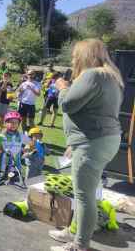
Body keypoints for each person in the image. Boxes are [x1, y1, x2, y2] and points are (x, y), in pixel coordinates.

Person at [49, 39, 124, 251]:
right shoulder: (111, 78)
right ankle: (74, 233)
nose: (73, 60)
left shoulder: (93, 75)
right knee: (84, 193)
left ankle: (80, 245)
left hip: (92, 142)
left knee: (84, 196)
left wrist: (63, 88)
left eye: (75, 56)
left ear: (85, 55)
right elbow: (97, 111)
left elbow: (68, 104)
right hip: (98, 141)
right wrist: (76, 142)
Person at [0, 112, 30, 177]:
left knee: (13, 186)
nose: (14, 124)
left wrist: (25, 149)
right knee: (0, 185)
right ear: (5, 123)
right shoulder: (0, 136)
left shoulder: (21, 136)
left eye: (16, 123)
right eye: (11, 122)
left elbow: (31, 143)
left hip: (16, 167)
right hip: (2, 167)